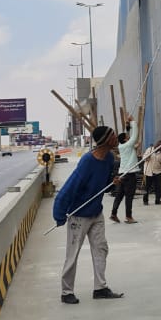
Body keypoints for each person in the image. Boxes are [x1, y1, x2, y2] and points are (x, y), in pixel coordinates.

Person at [53, 125, 124, 305]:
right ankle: (66, 292)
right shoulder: (87, 161)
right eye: (113, 135)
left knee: (101, 248)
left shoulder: (109, 158)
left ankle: (100, 288)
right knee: (73, 254)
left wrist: (112, 182)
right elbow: (70, 187)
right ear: (105, 140)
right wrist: (59, 213)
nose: (116, 137)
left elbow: (103, 183)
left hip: (96, 212)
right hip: (79, 215)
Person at [110, 121, 140, 224]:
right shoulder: (128, 145)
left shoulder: (121, 146)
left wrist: (127, 126)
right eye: (127, 137)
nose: (129, 137)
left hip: (121, 174)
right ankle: (128, 216)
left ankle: (113, 214)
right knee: (129, 196)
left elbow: (124, 136)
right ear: (125, 140)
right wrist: (133, 122)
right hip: (129, 174)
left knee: (119, 195)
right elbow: (135, 135)